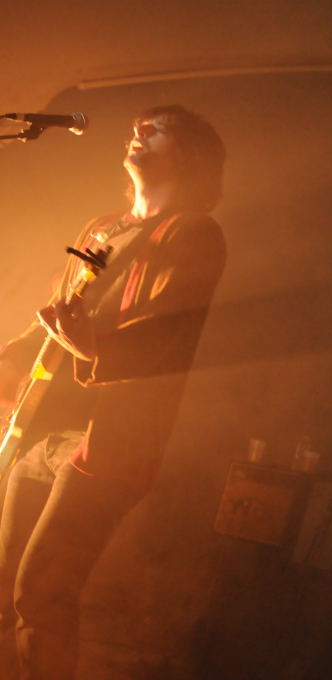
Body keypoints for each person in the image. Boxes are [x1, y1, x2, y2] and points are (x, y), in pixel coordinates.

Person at [0, 105, 227, 678]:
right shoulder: (101, 229)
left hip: (105, 446)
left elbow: (166, 337)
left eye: (158, 129)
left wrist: (92, 345)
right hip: (40, 429)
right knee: (4, 588)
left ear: (189, 155)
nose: (138, 133)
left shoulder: (193, 233)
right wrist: (8, 362)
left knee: (43, 591)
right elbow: (54, 318)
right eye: (136, 128)